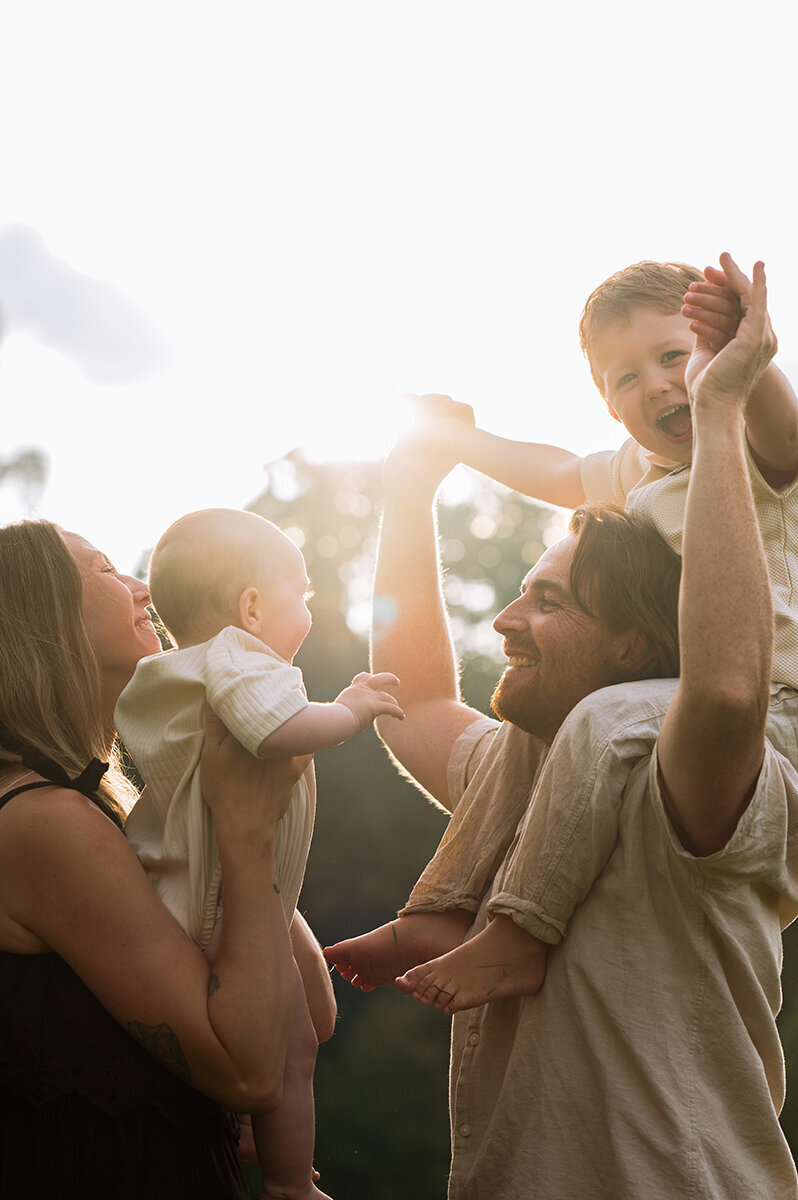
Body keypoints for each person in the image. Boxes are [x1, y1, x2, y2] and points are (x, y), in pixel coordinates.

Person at [325, 263, 798, 1197]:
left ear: (632, 635)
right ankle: (445, 909)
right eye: (626, 378)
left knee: (603, 717)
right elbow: (413, 701)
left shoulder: (704, 775)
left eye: (546, 600)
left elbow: (730, 691)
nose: (504, 621)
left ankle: (517, 931)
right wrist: (420, 477)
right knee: (566, 726)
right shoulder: (539, 764)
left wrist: (733, 381)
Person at [0, 520, 313, 1199]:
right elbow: (252, 1070)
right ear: (40, 620)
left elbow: (307, 1007)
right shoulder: (43, 823)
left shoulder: (110, 809)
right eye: (107, 570)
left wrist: (215, 806)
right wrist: (246, 839)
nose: (144, 589)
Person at [114, 507, 404, 1200]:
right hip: (221, 897)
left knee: (315, 1015)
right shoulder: (239, 660)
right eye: (300, 595)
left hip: (231, 884)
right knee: (295, 1041)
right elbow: (278, 730)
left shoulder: (189, 670)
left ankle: (251, 1118)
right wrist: (353, 710)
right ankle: (286, 1184)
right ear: (250, 607)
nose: (307, 610)